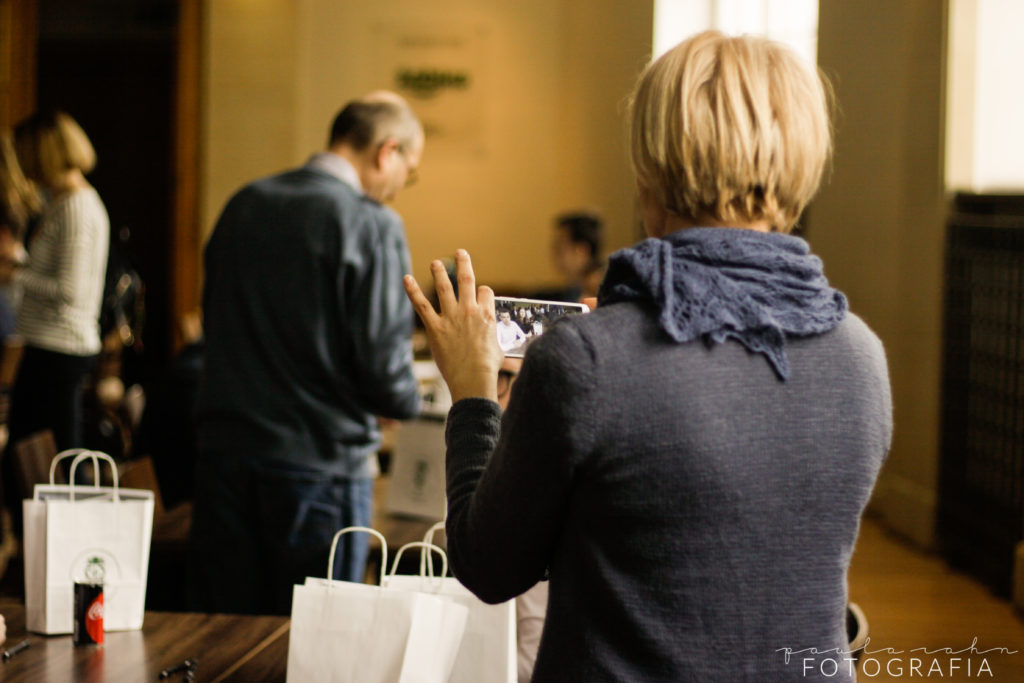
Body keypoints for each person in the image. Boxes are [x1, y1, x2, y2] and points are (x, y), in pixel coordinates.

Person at [404, 31, 891, 681]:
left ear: (649, 178)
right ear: (803, 169)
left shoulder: (587, 362)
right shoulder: (862, 357)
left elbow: (488, 567)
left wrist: (471, 393)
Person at [189, 91, 424, 615]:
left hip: (224, 459)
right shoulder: (372, 224)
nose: (397, 191)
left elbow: (214, 321)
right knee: (319, 641)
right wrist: (408, 400)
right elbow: (385, 371)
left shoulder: (244, 203)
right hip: (319, 467)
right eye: (407, 174)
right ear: (386, 151)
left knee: (226, 635)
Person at [0, 112, 109, 531]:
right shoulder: (61, 203)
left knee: (58, 460)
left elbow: (72, 291)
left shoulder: (78, 207)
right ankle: (36, 543)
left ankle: (67, 545)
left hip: (61, 348)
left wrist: (16, 272)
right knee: (29, 458)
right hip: (46, 344)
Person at [530, 210, 604, 302]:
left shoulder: (601, 291)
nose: (555, 249)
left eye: (560, 244)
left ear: (581, 250)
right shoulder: (573, 289)